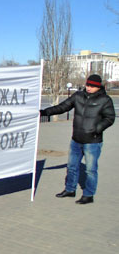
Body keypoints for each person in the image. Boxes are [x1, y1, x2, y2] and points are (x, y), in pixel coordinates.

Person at [40, 74, 115, 204]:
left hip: (92, 142)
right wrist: (45, 112)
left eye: (92, 86)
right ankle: (70, 190)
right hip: (76, 140)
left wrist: (97, 129)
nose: (89, 87)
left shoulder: (105, 100)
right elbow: (63, 107)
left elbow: (110, 118)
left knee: (90, 170)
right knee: (72, 166)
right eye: (87, 84)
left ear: (98, 87)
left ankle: (88, 195)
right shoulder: (78, 96)